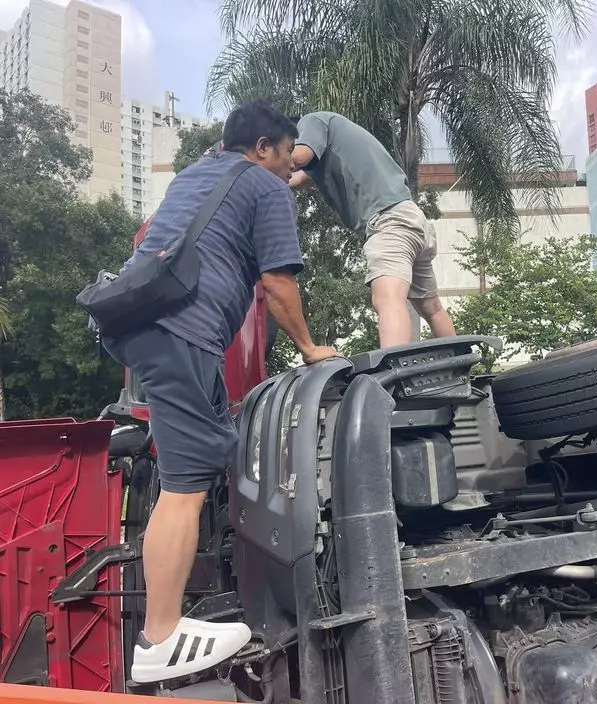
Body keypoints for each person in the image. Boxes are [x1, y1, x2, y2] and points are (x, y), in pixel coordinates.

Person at [104, 101, 339, 683]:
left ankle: (175, 618)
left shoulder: (197, 173)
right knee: (184, 487)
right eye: (286, 156)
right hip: (180, 334)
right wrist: (310, 349)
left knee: (218, 445)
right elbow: (277, 283)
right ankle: (160, 637)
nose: (290, 167)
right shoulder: (266, 187)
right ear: (262, 148)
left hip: (146, 327)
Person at [288, 111, 456, 348]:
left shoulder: (311, 121)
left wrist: (260, 166)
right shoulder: (335, 137)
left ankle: (394, 368)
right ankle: (460, 364)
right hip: (410, 218)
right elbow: (298, 178)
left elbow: (300, 156)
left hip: (389, 223)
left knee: (387, 300)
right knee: (431, 307)